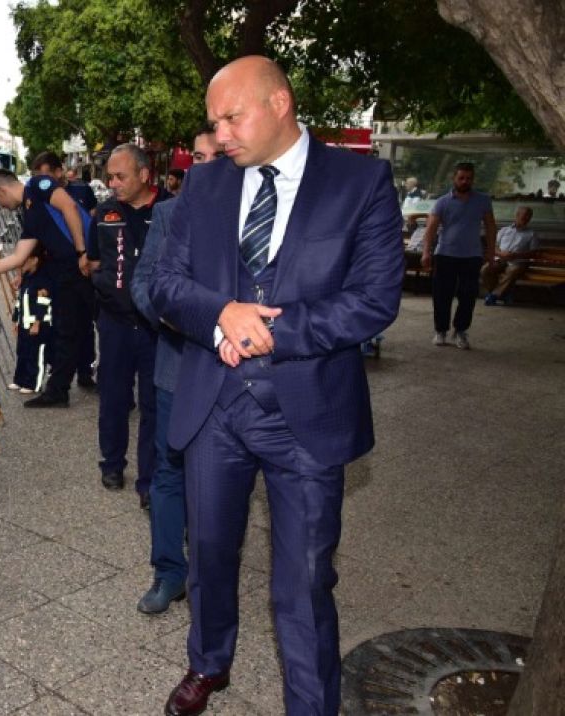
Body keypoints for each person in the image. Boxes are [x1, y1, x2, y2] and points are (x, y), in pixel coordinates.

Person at [152, 56, 402, 716]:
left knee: (305, 580)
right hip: (215, 407)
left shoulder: (362, 181)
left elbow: (374, 300)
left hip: (308, 413)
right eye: (214, 122)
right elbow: (164, 286)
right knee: (207, 553)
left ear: (280, 102)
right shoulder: (203, 188)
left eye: (232, 117)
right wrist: (219, 316)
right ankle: (208, 664)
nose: (221, 133)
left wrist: (277, 333)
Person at [130, 124, 221, 615]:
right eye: (198, 159)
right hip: (175, 366)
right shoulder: (166, 215)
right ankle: (169, 573)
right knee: (168, 472)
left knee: (219, 478)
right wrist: (168, 315)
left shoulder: (247, 216)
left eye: (214, 157)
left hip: (228, 371)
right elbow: (143, 282)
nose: (204, 166)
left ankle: (212, 576)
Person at [0, 168, 92, 408]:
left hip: (84, 265)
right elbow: (17, 257)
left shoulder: (39, 184)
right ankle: (58, 390)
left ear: (2, 190)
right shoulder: (30, 215)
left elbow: (69, 208)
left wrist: (82, 251)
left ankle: (69, 387)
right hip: (67, 274)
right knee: (69, 329)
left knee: (97, 323)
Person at [88, 144, 169, 497]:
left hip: (158, 328)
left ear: (144, 175)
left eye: (120, 176)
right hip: (115, 324)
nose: (113, 183)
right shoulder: (104, 214)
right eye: (110, 177)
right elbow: (91, 261)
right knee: (114, 398)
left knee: (154, 403)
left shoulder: (171, 210)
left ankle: (149, 481)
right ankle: (112, 465)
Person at [33, 151, 98, 388]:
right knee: (65, 324)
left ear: (59, 172)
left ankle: (85, 372)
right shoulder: (42, 196)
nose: (43, 181)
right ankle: (61, 379)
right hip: (61, 266)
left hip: (83, 263)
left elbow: (91, 220)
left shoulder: (80, 191)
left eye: (47, 175)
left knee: (85, 324)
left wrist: (87, 253)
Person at [421, 162, 496, 349]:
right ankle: (440, 331)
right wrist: (426, 252)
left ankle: (461, 331)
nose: (465, 181)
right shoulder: (442, 202)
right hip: (446, 254)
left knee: (468, 296)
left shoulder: (483, 200)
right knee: (442, 295)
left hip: (472, 256)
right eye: (461, 177)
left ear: (473, 179)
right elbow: (431, 229)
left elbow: (490, 227)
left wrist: (491, 252)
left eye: (468, 178)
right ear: (454, 178)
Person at [10, 244, 54, 393]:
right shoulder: (27, 278)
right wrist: (16, 319)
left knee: (35, 355)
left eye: (25, 260)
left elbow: (43, 301)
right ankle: (19, 379)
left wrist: (37, 322)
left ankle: (32, 383)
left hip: (37, 325)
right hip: (24, 323)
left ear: (34, 260)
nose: (21, 264)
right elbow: (20, 300)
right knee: (22, 352)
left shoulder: (43, 279)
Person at [482, 206, 538, 305]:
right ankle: (504, 294)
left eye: (529, 217)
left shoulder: (532, 234)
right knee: (485, 270)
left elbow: (533, 253)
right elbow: (493, 246)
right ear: (517, 215)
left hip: (518, 262)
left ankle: (494, 295)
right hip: (500, 259)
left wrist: (516, 255)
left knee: (511, 271)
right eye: (524, 216)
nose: (526, 219)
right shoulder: (504, 230)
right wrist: (501, 253)